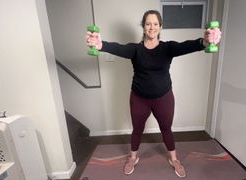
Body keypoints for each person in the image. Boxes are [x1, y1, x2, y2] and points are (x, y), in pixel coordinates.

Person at [86, 10, 221, 178]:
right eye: (148, 24)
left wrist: (205, 41)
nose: (152, 27)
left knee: (166, 129)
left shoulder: (167, 48)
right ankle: (133, 157)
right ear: (143, 27)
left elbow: (187, 45)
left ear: (160, 27)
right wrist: (100, 45)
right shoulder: (135, 50)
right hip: (139, 98)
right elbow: (119, 48)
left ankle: (174, 159)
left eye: (155, 24)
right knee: (137, 129)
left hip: (163, 98)